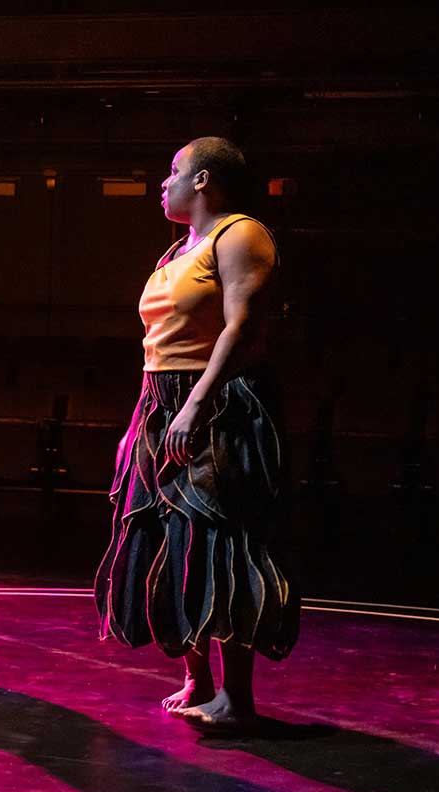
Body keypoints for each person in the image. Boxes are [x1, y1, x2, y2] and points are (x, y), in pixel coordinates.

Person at [94, 137, 299, 730]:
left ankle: (236, 697)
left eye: (174, 172)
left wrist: (197, 403)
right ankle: (197, 679)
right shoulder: (175, 251)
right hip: (160, 402)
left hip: (216, 401)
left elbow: (242, 327)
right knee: (168, 540)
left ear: (204, 179)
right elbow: (158, 345)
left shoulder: (240, 233)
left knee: (219, 541)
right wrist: (143, 422)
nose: (165, 182)